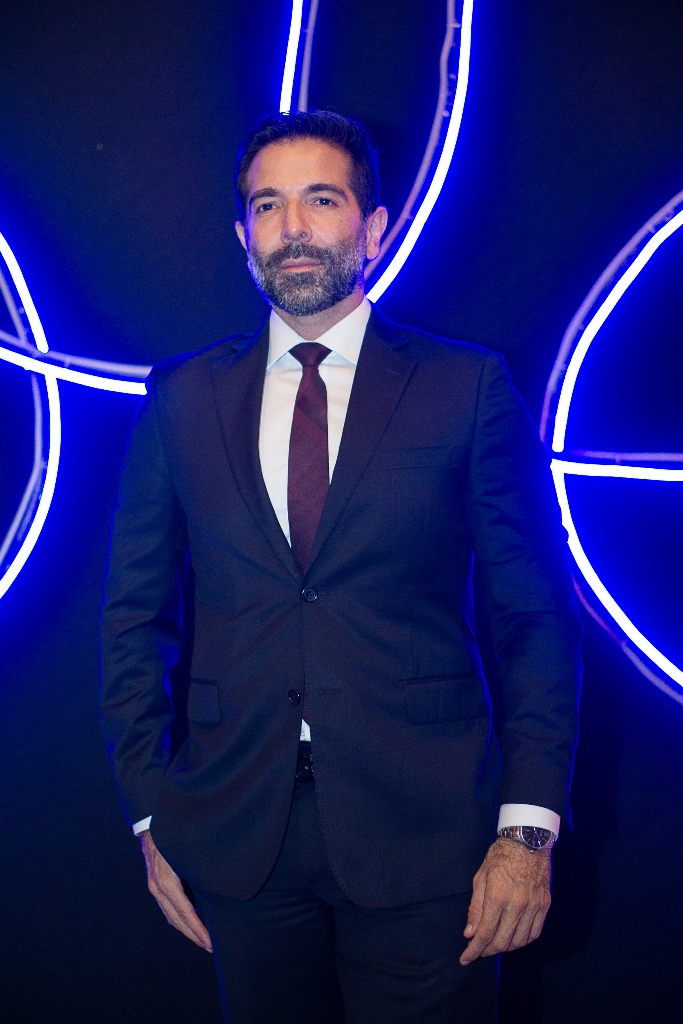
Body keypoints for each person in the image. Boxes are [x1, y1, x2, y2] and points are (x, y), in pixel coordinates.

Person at [100, 110, 582, 1023]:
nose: (292, 228)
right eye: (267, 206)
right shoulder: (181, 395)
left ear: (374, 227)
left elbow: (534, 619)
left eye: (320, 200)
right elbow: (132, 617)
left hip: (430, 831)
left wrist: (526, 831)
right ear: (242, 233)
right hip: (235, 833)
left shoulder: (465, 385)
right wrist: (153, 815)